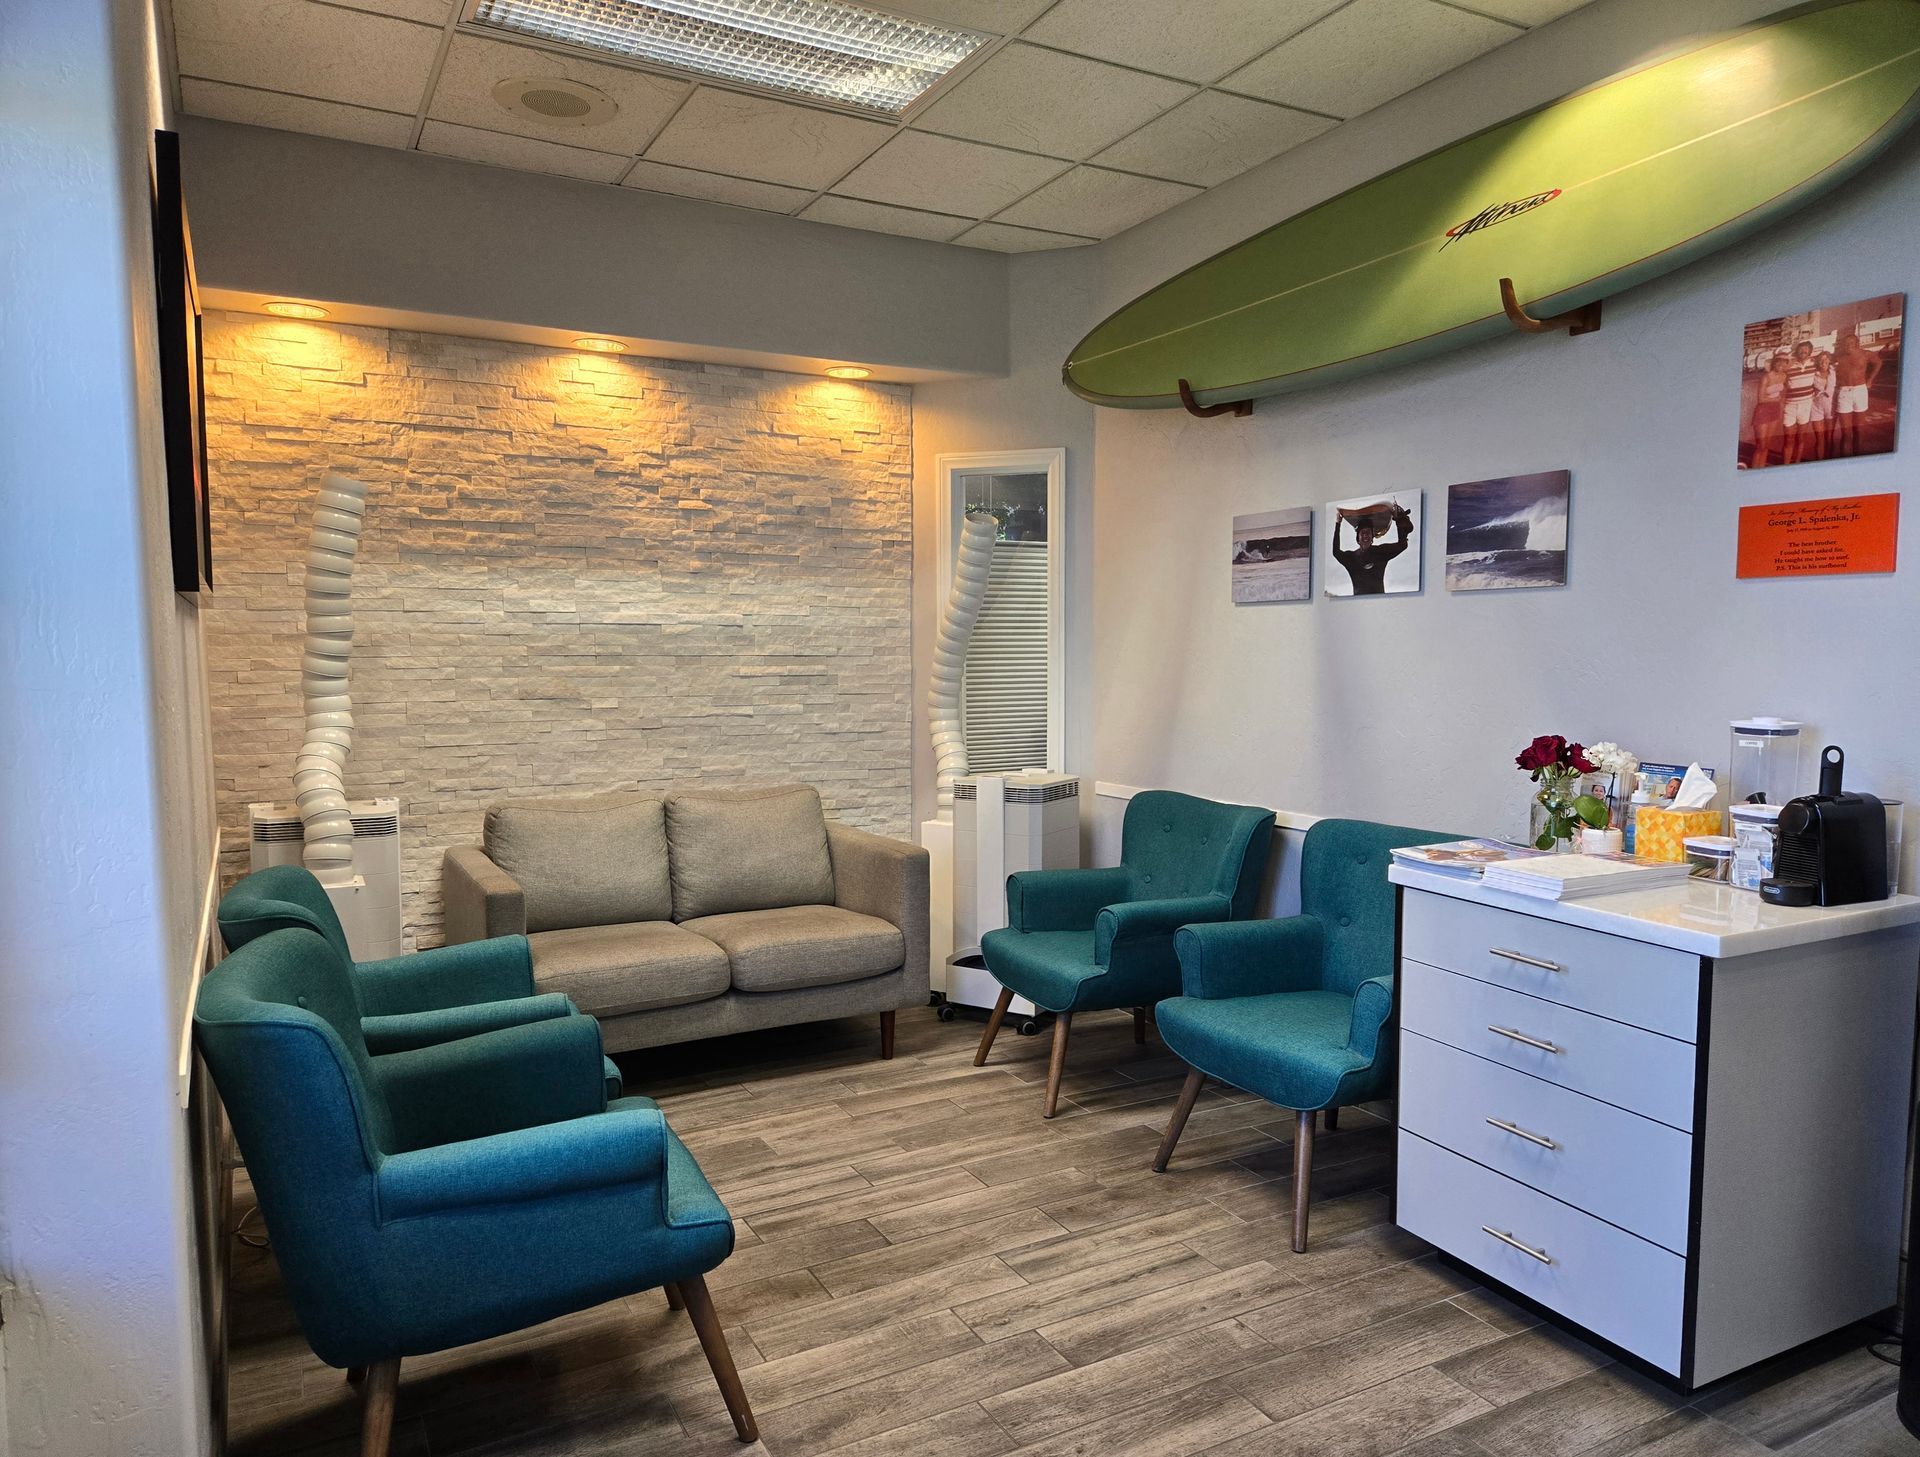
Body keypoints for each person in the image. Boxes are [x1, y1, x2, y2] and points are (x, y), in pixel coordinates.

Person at [1332, 499, 1413, 595]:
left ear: (1372, 538)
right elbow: (1336, 552)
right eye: (1363, 533)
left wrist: (1398, 521)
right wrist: (1338, 523)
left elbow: (1402, 545)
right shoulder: (1351, 558)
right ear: (1358, 538)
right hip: (1357, 603)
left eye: (1368, 533)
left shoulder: (1381, 552)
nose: (1366, 535)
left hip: (1379, 601)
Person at [1833, 332, 1884, 457]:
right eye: (1846, 344)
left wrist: (1870, 379)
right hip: (1843, 392)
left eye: (1851, 343)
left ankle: (1857, 458)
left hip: (1860, 391)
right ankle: (1845, 461)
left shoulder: (1865, 354)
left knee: (1859, 430)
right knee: (1846, 433)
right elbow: (1823, 361)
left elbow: (1878, 363)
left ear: (1857, 344)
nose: (1848, 346)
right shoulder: (1839, 356)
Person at [1780, 340, 1819, 464]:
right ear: (1796, 351)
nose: (1803, 351)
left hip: (1806, 406)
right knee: (1789, 438)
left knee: (1801, 438)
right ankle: (1786, 465)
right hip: (1790, 407)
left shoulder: (1814, 364)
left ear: (1810, 352)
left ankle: (1796, 463)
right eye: (1801, 349)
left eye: (1806, 349)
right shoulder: (1788, 366)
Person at [1749, 352, 1788, 467]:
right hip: (1762, 411)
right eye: (1778, 361)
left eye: (1784, 361)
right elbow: (1760, 399)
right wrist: (1777, 399)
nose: (1781, 364)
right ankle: (1754, 471)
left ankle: (1761, 470)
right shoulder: (1766, 377)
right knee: (1760, 445)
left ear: (1786, 364)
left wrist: (1781, 406)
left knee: (1767, 445)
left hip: (1774, 410)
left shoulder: (1784, 376)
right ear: (1774, 363)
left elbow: (1783, 395)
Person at [1810, 350, 1836, 461]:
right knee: (1819, 438)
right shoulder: (1812, 373)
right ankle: (1819, 461)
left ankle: (1829, 461)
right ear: (1817, 362)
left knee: (1829, 437)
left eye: (1826, 359)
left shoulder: (1835, 371)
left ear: (1829, 360)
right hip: (1816, 408)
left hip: (1831, 408)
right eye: (1821, 360)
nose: (1823, 362)